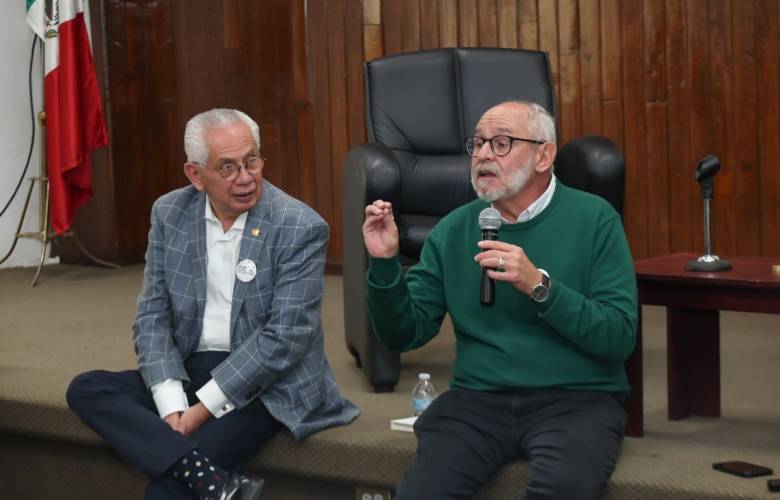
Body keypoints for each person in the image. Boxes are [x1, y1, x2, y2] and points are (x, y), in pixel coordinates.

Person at [67, 108, 359, 500]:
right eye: (227, 167)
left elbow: (284, 339)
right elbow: (152, 314)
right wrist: (172, 408)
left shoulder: (298, 225)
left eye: (252, 161)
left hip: (265, 384)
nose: (245, 178)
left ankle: (190, 470)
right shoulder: (170, 212)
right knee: (87, 389)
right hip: (193, 367)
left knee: (168, 491)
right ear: (195, 175)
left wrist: (197, 413)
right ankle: (212, 480)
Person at [362, 101, 636, 500]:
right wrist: (385, 265)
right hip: (478, 398)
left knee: (564, 490)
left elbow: (619, 336)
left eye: (502, 143)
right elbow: (403, 333)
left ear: (544, 155)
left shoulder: (596, 219)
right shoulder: (455, 229)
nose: (484, 155)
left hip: (577, 399)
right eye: (478, 143)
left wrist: (540, 285)